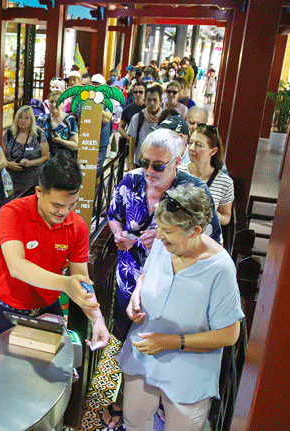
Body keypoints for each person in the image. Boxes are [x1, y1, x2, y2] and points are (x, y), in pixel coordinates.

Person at [103, 128, 222, 429]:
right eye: (145, 162)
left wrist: (168, 235)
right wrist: (118, 234)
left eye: (158, 165)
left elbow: (211, 239)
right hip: (131, 282)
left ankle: (163, 407)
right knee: (129, 350)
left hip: (172, 293)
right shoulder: (131, 180)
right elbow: (113, 214)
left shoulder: (192, 192)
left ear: (177, 161)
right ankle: (128, 401)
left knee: (165, 353)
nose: (149, 171)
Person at [118, 184, 243, 431]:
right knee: (134, 421)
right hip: (144, 354)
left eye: (167, 231)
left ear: (195, 231)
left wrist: (170, 342)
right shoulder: (166, 245)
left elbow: (229, 334)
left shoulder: (220, 269)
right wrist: (137, 295)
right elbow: (147, 274)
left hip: (189, 371)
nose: (159, 236)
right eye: (159, 227)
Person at [0, 153, 110, 350]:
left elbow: (81, 281)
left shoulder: (77, 226)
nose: (64, 212)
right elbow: (17, 267)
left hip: (48, 311)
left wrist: (97, 319)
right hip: (7, 311)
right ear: (39, 191)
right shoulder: (13, 213)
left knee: (48, 374)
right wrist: (64, 283)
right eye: (57, 205)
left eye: (72, 204)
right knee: (2, 375)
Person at [178, 125, 234, 225]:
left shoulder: (225, 182)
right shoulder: (178, 172)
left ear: (213, 151)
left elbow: (226, 218)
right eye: (190, 143)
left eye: (199, 145)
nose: (191, 148)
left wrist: (209, 211)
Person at [3, 105, 50, 190]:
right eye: (20, 117)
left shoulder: (38, 134)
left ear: (31, 120)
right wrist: (9, 164)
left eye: (26, 118)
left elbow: (46, 156)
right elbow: (1, 156)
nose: (23, 121)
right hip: (10, 180)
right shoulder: (9, 133)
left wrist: (30, 163)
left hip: (32, 181)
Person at [126, 85, 164, 168]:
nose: (152, 103)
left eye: (155, 100)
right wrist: (131, 162)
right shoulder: (137, 118)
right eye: (149, 100)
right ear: (144, 101)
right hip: (140, 162)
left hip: (158, 163)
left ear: (161, 101)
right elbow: (133, 141)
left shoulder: (165, 119)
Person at [37, 90, 79, 157]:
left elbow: (76, 145)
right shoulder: (42, 119)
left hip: (64, 158)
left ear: (63, 103)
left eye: (57, 102)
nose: (54, 104)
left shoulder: (69, 120)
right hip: (45, 157)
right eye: (51, 102)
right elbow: (34, 141)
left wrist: (61, 141)